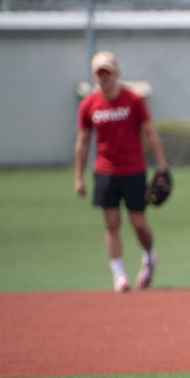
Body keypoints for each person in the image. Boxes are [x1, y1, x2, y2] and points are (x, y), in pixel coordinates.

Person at [74, 51, 168, 293]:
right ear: (94, 77)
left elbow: (150, 132)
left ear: (117, 73)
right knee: (112, 222)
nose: (104, 77)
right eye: (99, 73)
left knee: (137, 222)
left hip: (133, 169)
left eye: (108, 72)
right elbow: (83, 141)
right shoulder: (89, 105)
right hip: (105, 171)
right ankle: (119, 274)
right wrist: (78, 176)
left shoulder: (133, 100)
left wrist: (161, 165)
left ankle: (149, 257)